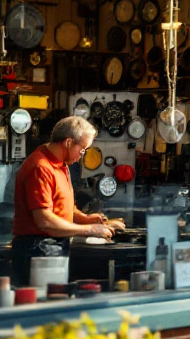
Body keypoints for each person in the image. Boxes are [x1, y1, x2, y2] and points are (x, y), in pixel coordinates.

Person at [11, 116, 120, 286]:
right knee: (43, 304)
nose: (81, 156)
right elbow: (45, 220)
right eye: (82, 150)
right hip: (37, 248)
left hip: (50, 246)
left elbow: (64, 208)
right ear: (68, 143)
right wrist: (89, 229)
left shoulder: (61, 166)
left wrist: (87, 218)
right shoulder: (41, 167)